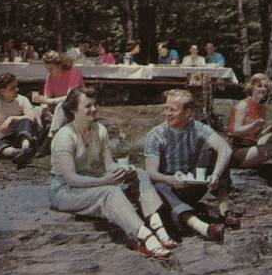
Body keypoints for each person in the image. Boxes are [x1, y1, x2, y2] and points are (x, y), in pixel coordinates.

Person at [49, 87, 177, 258]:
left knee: (140, 173)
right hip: (64, 190)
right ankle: (145, 237)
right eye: (88, 106)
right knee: (109, 191)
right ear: (73, 110)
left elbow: (109, 164)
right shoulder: (65, 136)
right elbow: (71, 179)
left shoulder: (99, 130)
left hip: (87, 182)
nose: (94, 109)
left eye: (95, 105)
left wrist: (122, 170)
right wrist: (105, 181)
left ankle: (158, 228)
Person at [144, 89, 233, 240]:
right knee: (157, 184)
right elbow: (151, 171)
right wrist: (169, 179)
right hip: (168, 190)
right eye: (166, 108)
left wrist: (216, 174)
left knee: (216, 155)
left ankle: (225, 211)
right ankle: (202, 227)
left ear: (187, 113)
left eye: (172, 110)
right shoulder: (156, 134)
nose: (167, 113)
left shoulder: (197, 127)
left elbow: (225, 148)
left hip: (192, 183)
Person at [227, 73, 272, 192]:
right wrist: (253, 125)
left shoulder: (261, 108)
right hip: (238, 152)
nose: (262, 89)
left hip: (252, 146)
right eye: (259, 86)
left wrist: (271, 128)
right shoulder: (243, 105)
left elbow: (256, 136)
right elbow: (233, 131)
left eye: (265, 87)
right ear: (251, 87)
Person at [0, 73, 41, 167]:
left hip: (21, 136)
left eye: (16, 86)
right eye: (12, 88)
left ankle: (25, 147)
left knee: (26, 120)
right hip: (5, 138)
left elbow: (33, 117)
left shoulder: (22, 100)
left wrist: (12, 118)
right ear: (2, 91)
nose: (17, 90)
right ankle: (17, 152)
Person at [33, 51, 86, 156]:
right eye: (47, 69)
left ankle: (49, 140)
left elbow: (71, 97)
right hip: (61, 109)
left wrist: (49, 101)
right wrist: (45, 108)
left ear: (60, 65)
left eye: (51, 69)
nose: (49, 72)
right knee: (35, 109)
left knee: (60, 106)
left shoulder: (73, 72)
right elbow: (46, 97)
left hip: (78, 106)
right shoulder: (50, 76)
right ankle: (33, 139)